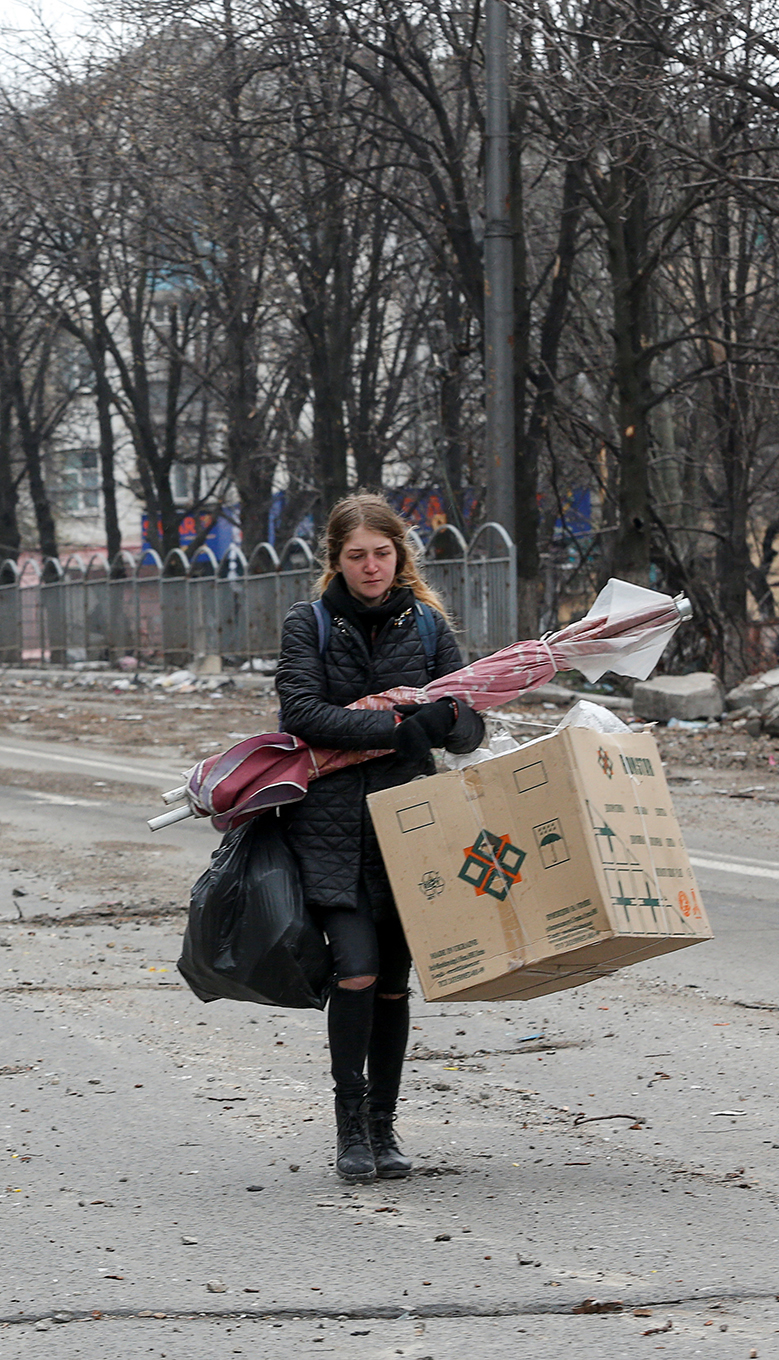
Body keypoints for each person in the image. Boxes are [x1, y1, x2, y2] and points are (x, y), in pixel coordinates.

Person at [274, 494, 484, 1182]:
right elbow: (303, 713)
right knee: (356, 969)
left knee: (393, 984)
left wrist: (446, 720)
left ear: (401, 554)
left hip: (411, 826)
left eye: (382, 553)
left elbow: (469, 719)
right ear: (336, 560)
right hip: (331, 827)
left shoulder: (424, 624)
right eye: (357, 555)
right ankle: (349, 1130)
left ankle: (384, 1129)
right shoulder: (310, 624)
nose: (371, 566)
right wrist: (397, 728)